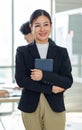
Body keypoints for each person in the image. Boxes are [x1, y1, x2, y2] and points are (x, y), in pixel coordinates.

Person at [15, 9, 73, 130]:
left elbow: (67, 81)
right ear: (31, 27)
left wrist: (44, 76)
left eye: (46, 24)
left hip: (55, 105)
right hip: (30, 105)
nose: (42, 29)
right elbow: (21, 80)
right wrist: (50, 88)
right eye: (37, 25)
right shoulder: (22, 51)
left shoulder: (61, 52)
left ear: (51, 26)